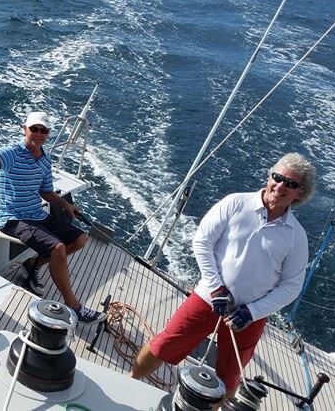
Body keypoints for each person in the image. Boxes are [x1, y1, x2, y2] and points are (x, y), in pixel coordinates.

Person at [130, 152, 316, 403]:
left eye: (290, 184)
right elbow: (202, 242)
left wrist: (252, 312)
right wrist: (216, 288)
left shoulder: (296, 237)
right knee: (163, 345)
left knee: (229, 376)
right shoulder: (235, 203)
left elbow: (292, 285)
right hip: (209, 297)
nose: (280, 186)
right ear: (269, 176)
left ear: (300, 194)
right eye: (277, 177)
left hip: (249, 317)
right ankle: (129, 382)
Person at [0, 111, 102, 324]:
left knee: (80, 239)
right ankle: (75, 306)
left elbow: (46, 192)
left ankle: (34, 265)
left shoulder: (45, 160)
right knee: (58, 248)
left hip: (36, 214)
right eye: (33, 129)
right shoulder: (12, 152)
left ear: (48, 134)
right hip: (13, 218)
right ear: (24, 129)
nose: (38, 133)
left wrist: (66, 205)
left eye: (43, 130)